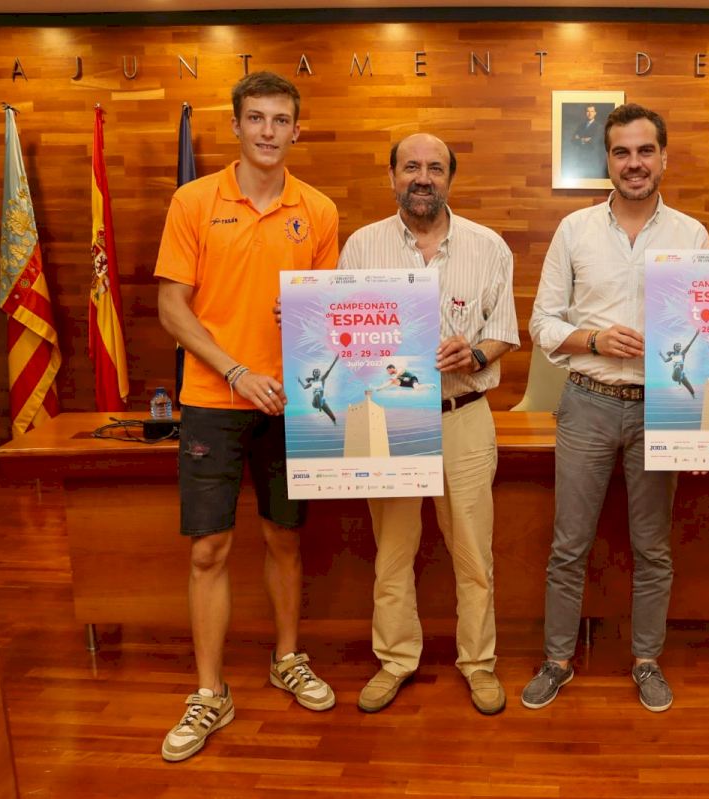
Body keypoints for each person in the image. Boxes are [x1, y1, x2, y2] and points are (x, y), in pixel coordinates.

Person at [154, 71, 340, 763]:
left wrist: (311, 317)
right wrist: (235, 371)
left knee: (285, 538)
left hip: (292, 402)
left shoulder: (317, 209)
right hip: (213, 399)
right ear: (235, 125)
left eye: (280, 119)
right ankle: (210, 692)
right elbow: (172, 306)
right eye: (255, 118)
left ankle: (288, 658)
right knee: (209, 548)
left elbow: (329, 313)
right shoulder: (194, 201)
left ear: (298, 129)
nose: (268, 130)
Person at [525, 103, 709, 713]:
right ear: (607, 160)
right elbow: (542, 323)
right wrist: (595, 339)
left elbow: (704, 334)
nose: (634, 163)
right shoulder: (574, 230)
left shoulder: (691, 235)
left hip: (662, 407)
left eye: (645, 151)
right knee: (569, 546)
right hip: (588, 402)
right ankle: (557, 661)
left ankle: (646, 661)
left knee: (653, 548)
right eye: (622, 152)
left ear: (664, 157)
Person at [336, 133, 519, 715]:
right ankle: (395, 659)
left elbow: (505, 333)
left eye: (435, 168)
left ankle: (479, 663)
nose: (422, 177)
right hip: (389, 420)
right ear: (392, 176)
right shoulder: (361, 247)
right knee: (393, 552)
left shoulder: (488, 247)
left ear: (450, 178)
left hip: (464, 416)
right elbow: (340, 334)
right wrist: (303, 318)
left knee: (473, 554)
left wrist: (476, 354)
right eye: (411, 167)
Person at [660, 329, 700, 397]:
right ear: (674, 348)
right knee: (677, 367)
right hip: (674, 376)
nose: (679, 347)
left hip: (681, 375)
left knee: (689, 386)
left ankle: (693, 396)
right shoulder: (672, 356)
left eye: (679, 346)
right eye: (677, 346)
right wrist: (661, 355)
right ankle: (679, 383)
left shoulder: (682, 353)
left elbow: (690, 344)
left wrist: (696, 334)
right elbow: (665, 361)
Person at [299, 355, 338, 423]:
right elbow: (304, 387)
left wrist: (335, 360)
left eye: (318, 371)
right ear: (313, 374)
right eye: (315, 371)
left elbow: (329, 370)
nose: (316, 372)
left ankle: (334, 422)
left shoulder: (322, 379)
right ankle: (320, 408)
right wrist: (300, 381)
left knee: (333, 417)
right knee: (317, 393)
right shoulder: (312, 382)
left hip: (322, 402)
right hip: (315, 403)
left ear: (319, 373)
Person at [569, 104, 604, 178]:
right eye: (588, 111)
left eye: (592, 111)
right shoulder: (581, 126)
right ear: (585, 113)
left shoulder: (599, 127)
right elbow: (573, 140)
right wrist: (585, 139)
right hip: (581, 159)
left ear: (595, 113)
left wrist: (580, 139)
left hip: (592, 159)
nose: (590, 113)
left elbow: (593, 142)